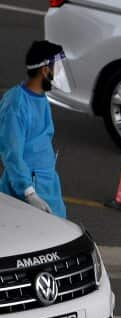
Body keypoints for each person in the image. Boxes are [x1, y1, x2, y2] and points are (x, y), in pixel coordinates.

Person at [0, 41, 68, 218]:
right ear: (45, 70)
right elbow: (12, 153)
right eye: (58, 68)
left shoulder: (40, 98)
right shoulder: (16, 104)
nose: (60, 73)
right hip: (29, 189)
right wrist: (29, 193)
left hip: (46, 184)